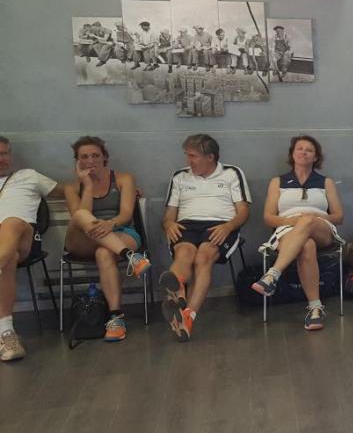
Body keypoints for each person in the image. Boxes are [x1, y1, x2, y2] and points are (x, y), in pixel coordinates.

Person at [159, 134, 251, 341]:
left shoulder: (231, 173)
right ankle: (176, 293)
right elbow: (169, 215)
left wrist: (229, 226)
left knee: (204, 255)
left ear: (210, 157)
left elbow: (244, 211)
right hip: (187, 224)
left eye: (193, 156)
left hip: (220, 224)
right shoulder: (179, 176)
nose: (188, 161)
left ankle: (188, 315)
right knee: (185, 252)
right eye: (187, 155)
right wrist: (168, 224)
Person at [62, 136, 152, 342]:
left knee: (104, 253)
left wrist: (109, 224)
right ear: (77, 161)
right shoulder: (71, 187)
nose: (90, 160)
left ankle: (115, 318)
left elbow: (126, 214)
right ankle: (130, 256)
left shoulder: (124, 179)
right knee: (80, 215)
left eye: (95, 155)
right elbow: (81, 216)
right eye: (84, 157)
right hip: (82, 240)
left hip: (120, 231)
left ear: (105, 157)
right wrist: (87, 186)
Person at [252, 136, 344, 331]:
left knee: (308, 220)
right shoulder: (278, 182)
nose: (303, 152)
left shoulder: (325, 182)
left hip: (321, 228)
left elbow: (338, 216)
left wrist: (314, 217)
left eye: (309, 150)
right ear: (292, 154)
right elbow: (268, 218)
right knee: (306, 246)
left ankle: (272, 275)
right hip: (288, 229)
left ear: (316, 157)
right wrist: (292, 221)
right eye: (299, 149)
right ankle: (315, 308)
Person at [0, 136, 63, 361]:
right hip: (9, 251)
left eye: (4, 153)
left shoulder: (28, 176)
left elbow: (69, 191)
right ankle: (6, 333)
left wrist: (121, 189)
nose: (1, 159)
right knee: (9, 257)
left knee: (11, 223)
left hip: (25, 236)